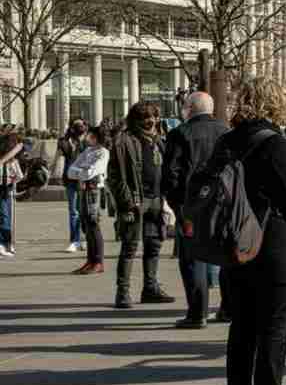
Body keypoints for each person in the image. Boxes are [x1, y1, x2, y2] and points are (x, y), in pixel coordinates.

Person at [210, 78, 286, 385]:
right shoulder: (274, 144)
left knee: (241, 328)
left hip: (234, 247)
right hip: (272, 246)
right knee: (274, 327)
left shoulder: (225, 141)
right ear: (276, 104)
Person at [163, 92, 229, 328]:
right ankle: (228, 308)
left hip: (191, 204)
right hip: (222, 203)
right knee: (225, 255)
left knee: (193, 258)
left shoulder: (180, 134)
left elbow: (172, 174)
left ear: (189, 108)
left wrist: (175, 205)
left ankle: (197, 312)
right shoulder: (225, 131)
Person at [107, 102, 174, 309]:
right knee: (130, 247)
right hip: (136, 200)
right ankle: (123, 292)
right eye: (145, 117)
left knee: (154, 245)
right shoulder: (124, 141)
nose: (150, 121)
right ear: (135, 120)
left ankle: (150, 288)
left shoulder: (159, 141)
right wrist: (127, 201)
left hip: (156, 199)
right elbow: (115, 176)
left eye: (153, 116)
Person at [67, 124, 109, 274]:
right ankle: (90, 261)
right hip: (83, 189)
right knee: (86, 224)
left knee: (93, 223)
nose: (87, 137)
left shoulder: (103, 153)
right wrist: (83, 172)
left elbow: (92, 172)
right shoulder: (87, 151)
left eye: (90, 134)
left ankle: (98, 261)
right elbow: (70, 171)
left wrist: (82, 172)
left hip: (94, 190)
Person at [58, 118, 87, 253]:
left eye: (82, 124)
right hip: (70, 179)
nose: (80, 127)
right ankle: (75, 241)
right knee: (74, 211)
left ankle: (85, 239)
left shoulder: (87, 141)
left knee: (86, 211)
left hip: (86, 180)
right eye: (77, 125)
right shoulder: (65, 142)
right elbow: (58, 156)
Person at [0, 130, 22, 258]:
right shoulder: (11, 160)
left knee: (5, 216)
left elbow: (18, 175)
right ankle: (5, 243)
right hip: (6, 189)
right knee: (5, 217)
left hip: (6, 189)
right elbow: (19, 176)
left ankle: (6, 243)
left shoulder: (11, 161)